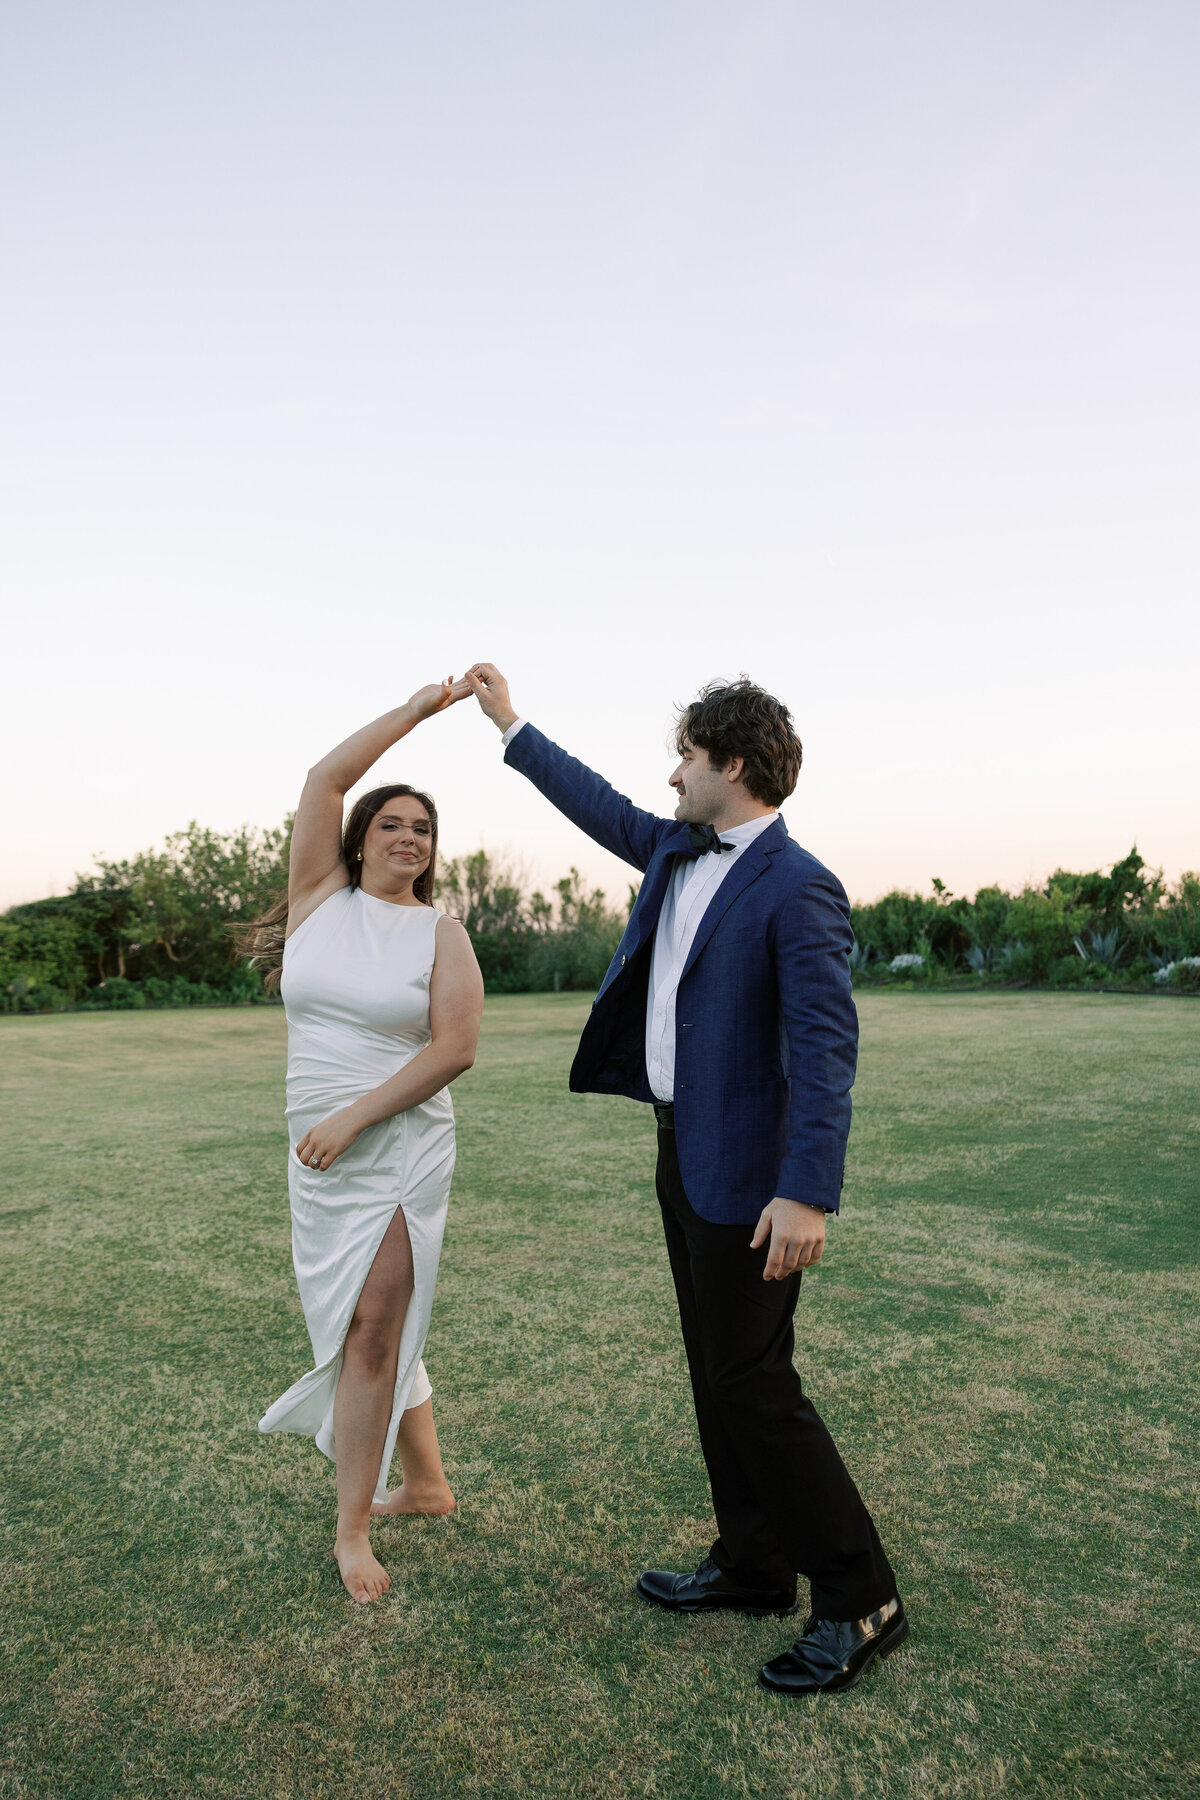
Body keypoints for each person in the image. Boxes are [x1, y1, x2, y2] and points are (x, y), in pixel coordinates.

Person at [464, 662, 906, 1696]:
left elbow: (824, 1050)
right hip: (683, 1151)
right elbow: (599, 804)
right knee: (719, 1372)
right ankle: (754, 1566)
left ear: (734, 766)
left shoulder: (799, 886)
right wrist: (511, 724)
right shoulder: (673, 845)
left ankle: (860, 1594)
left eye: (687, 757)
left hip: (758, 1180)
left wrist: (807, 1192)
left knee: (756, 1383)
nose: (671, 776)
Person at [248, 679, 484, 1605]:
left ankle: (352, 1529)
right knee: (364, 1314)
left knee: (370, 1325)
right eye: (390, 822)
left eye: (422, 828)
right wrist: (420, 711)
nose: (407, 837)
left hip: (394, 1146)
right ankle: (425, 1485)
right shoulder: (318, 898)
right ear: (359, 839)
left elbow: (456, 1049)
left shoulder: (441, 932)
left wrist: (355, 1119)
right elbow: (322, 776)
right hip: (316, 1151)